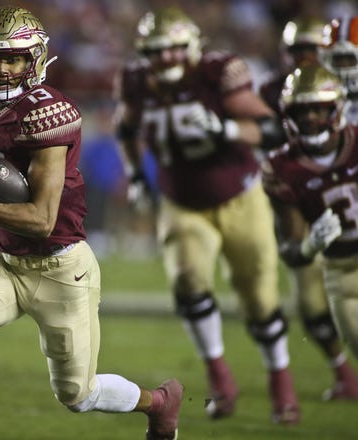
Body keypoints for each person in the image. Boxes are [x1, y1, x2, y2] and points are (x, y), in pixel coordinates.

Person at [0, 6, 183, 440]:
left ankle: (158, 403)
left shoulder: (49, 114)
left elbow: (42, 220)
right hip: (4, 261)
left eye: (13, 59)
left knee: (78, 394)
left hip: (61, 268)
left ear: (36, 59)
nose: (1, 70)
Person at [114, 6, 300, 424]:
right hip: (181, 201)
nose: (167, 60)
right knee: (188, 283)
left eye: (176, 50)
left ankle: (280, 379)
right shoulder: (136, 81)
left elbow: (270, 129)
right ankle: (220, 378)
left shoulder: (218, 73)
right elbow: (125, 129)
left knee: (260, 297)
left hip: (240, 196)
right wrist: (137, 177)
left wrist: (225, 129)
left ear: (193, 46)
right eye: (158, 51)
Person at [259, 17, 358, 401]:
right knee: (310, 301)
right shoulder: (283, 161)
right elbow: (292, 243)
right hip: (331, 249)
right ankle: (343, 374)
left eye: (311, 49)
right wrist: (309, 246)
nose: (306, 57)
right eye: (297, 50)